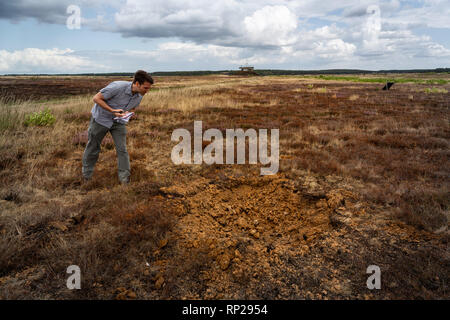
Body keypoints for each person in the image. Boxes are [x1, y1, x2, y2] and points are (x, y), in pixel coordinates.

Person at [82, 70, 153, 184]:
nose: (147, 91)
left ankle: (124, 180)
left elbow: (133, 108)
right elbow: (96, 98)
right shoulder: (117, 87)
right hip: (101, 119)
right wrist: (112, 111)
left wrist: (129, 113)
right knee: (93, 147)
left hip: (118, 122)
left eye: (149, 88)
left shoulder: (140, 95)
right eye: (145, 88)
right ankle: (86, 176)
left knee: (122, 149)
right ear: (137, 84)